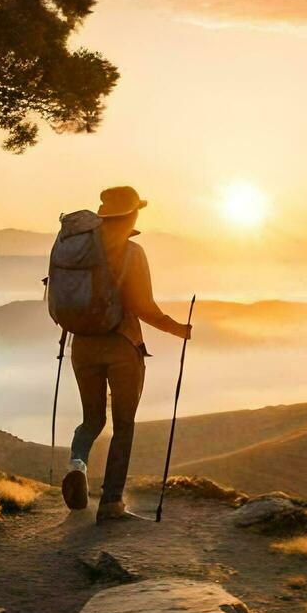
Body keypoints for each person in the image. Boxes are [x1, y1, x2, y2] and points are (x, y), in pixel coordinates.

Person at [61, 186, 193, 521]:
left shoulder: (77, 250)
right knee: (123, 425)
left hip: (83, 345)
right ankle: (111, 503)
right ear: (133, 214)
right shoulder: (132, 252)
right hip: (122, 346)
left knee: (91, 420)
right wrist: (178, 329)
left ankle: (77, 464)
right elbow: (143, 306)